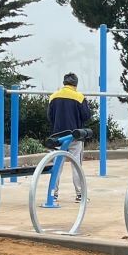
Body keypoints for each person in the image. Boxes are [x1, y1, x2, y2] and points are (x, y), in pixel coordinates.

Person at [47, 72, 91, 202]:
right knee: (76, 165)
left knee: (56, 166)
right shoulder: (79, 97)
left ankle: (53, 194)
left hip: (57, 137)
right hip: (74, 136)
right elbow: (86, 116)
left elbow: (50, 116)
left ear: (64, 83)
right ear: (76, 84)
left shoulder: (53, 96)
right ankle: (79, 194)